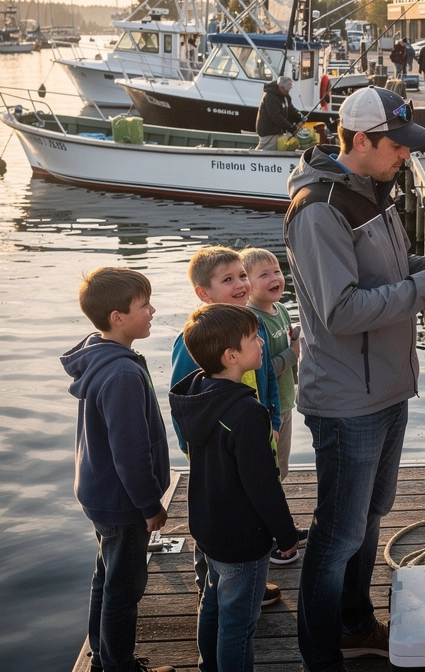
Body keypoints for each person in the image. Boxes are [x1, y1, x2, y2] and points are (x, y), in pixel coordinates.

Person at [284, 85, 425, 672]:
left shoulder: (372, 190)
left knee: (367, 520)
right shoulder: (319, 209)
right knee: (335, 539)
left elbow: (389, 272)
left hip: (384, 389)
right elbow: (342, 311)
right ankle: (320, 655)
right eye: (397, 145)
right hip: (347, 402)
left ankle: (356, 627)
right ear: (360, 141)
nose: (405, 155)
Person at [170, 304, 301, 672]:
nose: (261, 342)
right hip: (243, 540)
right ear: (231, 356)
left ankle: (207, 665)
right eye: (252, 338)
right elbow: (263, 486)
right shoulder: (246, 414)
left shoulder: (196, 394)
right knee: (238, 624)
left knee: (212, 602)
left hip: (209, 528)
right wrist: (286, 534)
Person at [60, 267, 174, 672]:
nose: (152, 310)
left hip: (99, 492)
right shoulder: (122, 372)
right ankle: (119, 666)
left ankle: (103, 658)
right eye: (144, 306)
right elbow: (129, 451)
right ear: (117, 318)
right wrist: (149, 505)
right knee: (124, 589)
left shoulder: (98, 353)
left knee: (105, 579)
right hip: (124, 501)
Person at [170, 247, 288, 604]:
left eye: (242, 276)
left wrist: (275, 420)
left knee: (253, 500)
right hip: (215, 442)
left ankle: (245, 577)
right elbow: (184, 400)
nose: (241, 284)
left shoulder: (252, 331)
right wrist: (193, 444)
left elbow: (267, 380)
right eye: (228, 280)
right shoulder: (197, 339)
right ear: (203, 294)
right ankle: (210, 578)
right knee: (220, 511)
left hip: (253, 430)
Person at [242, 248, 301, 492]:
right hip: (268, 406)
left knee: (281, 468)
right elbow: (262, 370)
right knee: (267, 468)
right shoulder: (252, 320)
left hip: (286, 401)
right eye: (263, 275)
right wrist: (294, 353)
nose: (275, 278)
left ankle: (273, 514)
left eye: (277, 271)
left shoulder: (283, 311)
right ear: (247, 285)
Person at [256, 76, 304, 152]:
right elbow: (276, 116)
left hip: (278, 132)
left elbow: (291, 109)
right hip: (269, 132)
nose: (288, 92)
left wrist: (300, 117)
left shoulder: (284, 96)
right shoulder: (270, 97)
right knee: (265, 152)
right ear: (281, 87)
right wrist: (291, 128)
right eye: (287, 90)